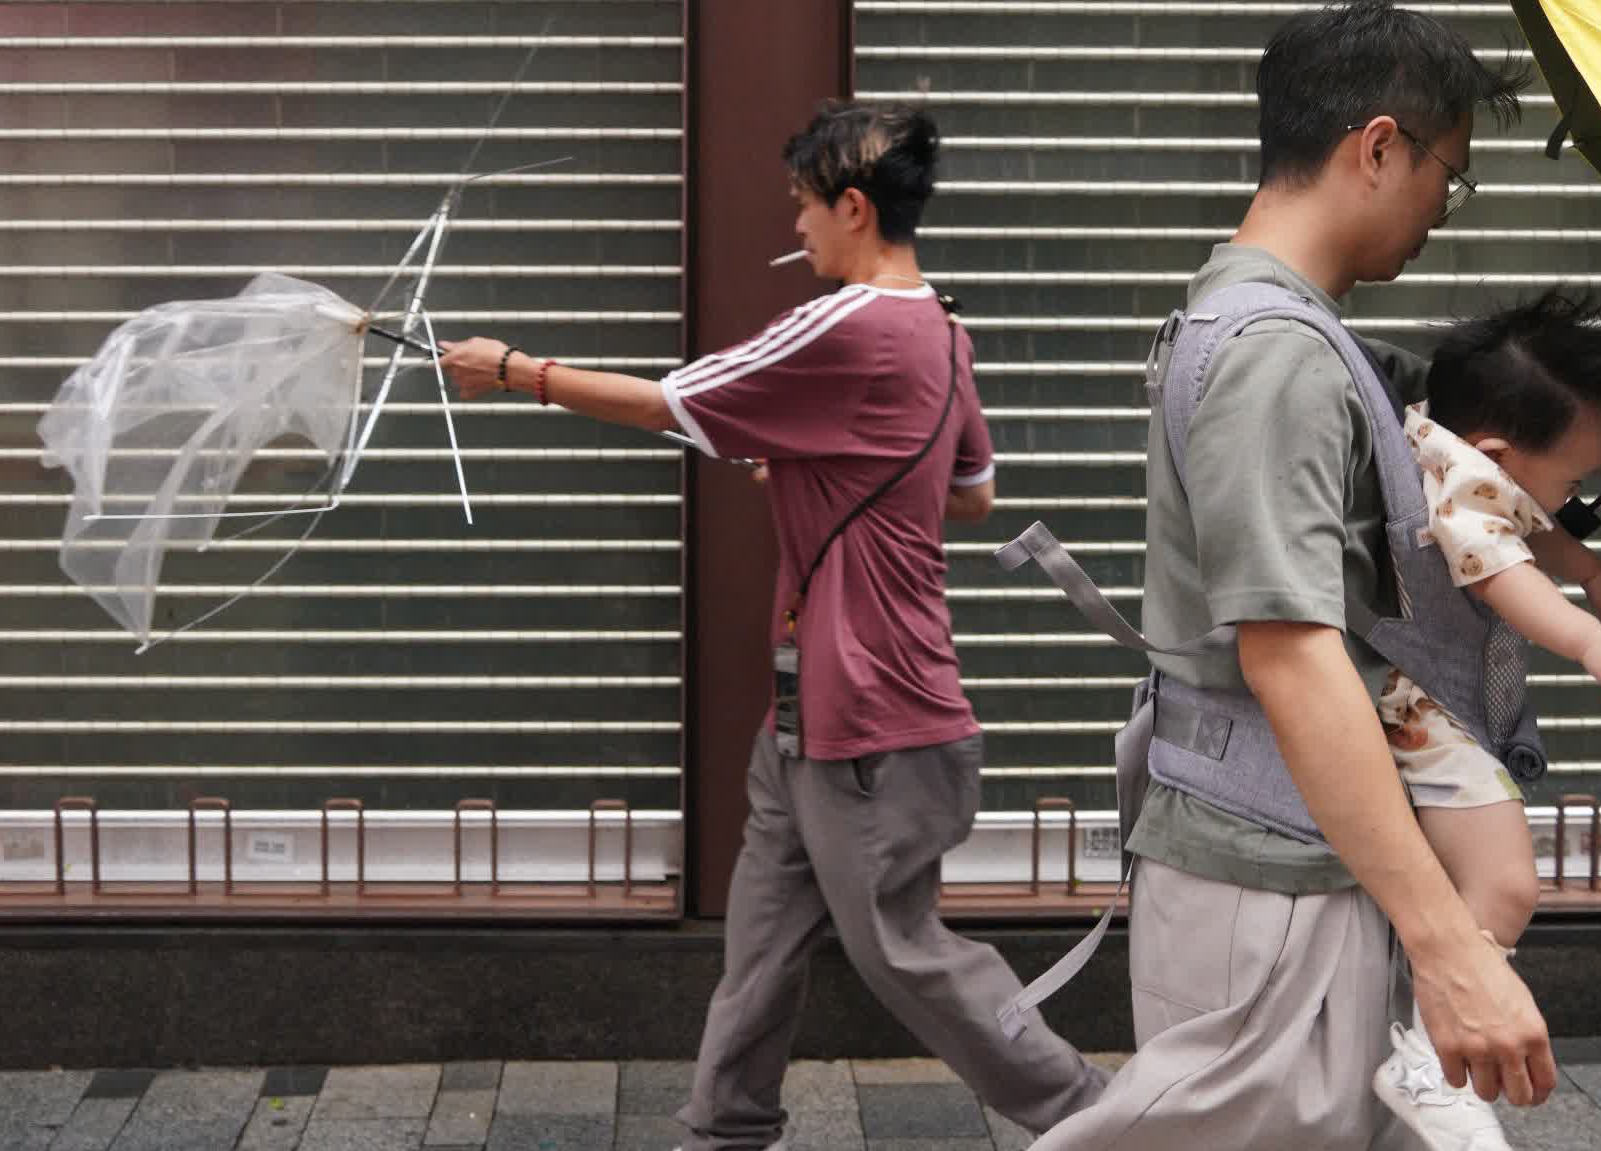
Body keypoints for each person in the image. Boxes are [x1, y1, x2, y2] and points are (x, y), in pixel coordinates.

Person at [1008, 4, 1601, 1149]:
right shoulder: (1275, 359)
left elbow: (1500, 415)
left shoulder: (1297, 335)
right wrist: (1446, 942)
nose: (1440, 210)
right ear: (1376, 147)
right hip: (1267, 864)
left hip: (1291, 847)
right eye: (1447, 176)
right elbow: (1289, 649)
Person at [438, 99, 1108, 1151]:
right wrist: (812, 456)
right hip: (812, 702)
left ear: (853, 206)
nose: (793, 230)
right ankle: (724, 1127)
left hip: (875, 711)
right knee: (760, 937)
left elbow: (672, 402)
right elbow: (968, 493)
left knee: (904, 952)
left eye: (801, 208)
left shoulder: (845, 319)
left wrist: (514, 370)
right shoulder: (941, 326)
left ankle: (1099, 1120)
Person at [1370, 290, 1601, 1148]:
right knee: (1506, 884)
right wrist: (1592, 641)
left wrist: (1593, 572)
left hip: (1416, 700)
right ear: (1499, 452)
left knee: (1476, 882)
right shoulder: (1466, 496)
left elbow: (1530, 523)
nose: (1576, 494)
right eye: (1576, 478)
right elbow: (1506, 564)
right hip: (1426, 710)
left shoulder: (1442, 445)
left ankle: (1419, 1037)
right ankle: (1428, 1058)